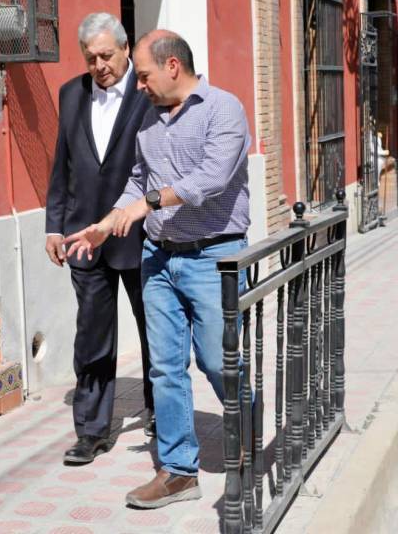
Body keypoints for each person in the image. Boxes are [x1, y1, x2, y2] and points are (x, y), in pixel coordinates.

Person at [65, 29, 251, 508]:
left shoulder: (222, 108)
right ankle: (178, 471)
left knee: (217, 360)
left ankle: (246, 437)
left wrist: (144, 204)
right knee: (166, 368)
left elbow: (210, 179)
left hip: (215, 257)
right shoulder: (147, 119)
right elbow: (137, 180)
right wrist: (106, 225)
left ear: (173, 66)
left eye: (144, 74)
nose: (139, 85)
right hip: (159, 257)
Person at [45, 13, 154, 466]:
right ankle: (91, 430)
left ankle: (160, 414)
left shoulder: (149, 93)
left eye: (107, 55)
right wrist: (54, 224)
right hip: (85, 237)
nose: (99, 65)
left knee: (155, 331)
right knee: (92, 336)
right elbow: (62, 164)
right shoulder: (72, 93)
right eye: (91, 57)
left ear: (126, 49)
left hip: (139, 233)